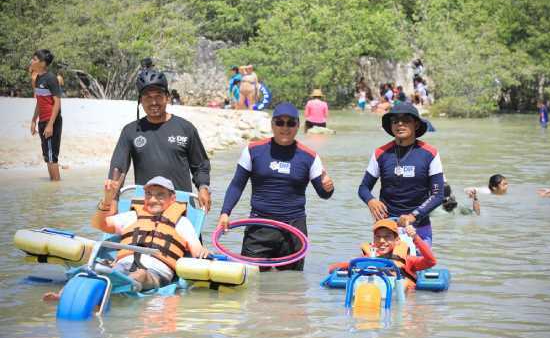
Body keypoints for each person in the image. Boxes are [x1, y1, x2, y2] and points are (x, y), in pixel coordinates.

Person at [43, 175, 210, 300]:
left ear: (172, 199)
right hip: (123, 266)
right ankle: (63, 295)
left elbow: (196, 249)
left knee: (140, 274)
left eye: (160, 195)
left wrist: (203, 253)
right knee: (93, 268)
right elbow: (99, 224)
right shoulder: (132, 216)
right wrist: (108, 199)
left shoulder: (182, 223)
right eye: (149, 194)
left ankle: (109, 294)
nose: (153, 199)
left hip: (154, 273)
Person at [218, 102, 334, 271]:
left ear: (298, 125)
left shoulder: (310, 157)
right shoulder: (253, 151)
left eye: (290, 123)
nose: (285, 128)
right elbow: (237, 185)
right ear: (272, 124)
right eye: (280, 122)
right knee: (251, 284)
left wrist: (328, 187)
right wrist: (225, 212)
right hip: (259, 227)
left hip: (294, 231)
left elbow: (324, 194)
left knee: (291, 287)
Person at [108, 69, 211, 210]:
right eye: (147, 97)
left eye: (158, 96)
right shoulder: (130, 131)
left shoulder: (185, 128)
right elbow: (118, 169)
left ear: (167, 97)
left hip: (180, 207)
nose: (154, 102)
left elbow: (200, 166)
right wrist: (113, 200)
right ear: (140, 100)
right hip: (146, 207)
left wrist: (203, 188)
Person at [358, 102, 444, 246]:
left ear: (416, 124)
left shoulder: (430, 154)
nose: (400, 124)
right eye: (395, 121)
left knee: (414, 267)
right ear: (391, 126)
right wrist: (371, 201)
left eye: (406, 120)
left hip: (418, 228)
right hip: (386, 230)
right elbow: (363, 188)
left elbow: (438, 195)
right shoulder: (381, 153)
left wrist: (413, 216)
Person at [327, 219, 436, 291]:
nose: (382, 241)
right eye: (378, 237)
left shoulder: (408, 261)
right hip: (370, 300)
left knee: (404, 284)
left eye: (387, 236)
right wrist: (351, 265)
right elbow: (332, 269)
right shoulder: (365, 259)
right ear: (373, 240)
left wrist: (415, 238)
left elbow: (431, 261)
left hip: (402, 307)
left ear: (397, 240)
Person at [29, 49, 62, 181]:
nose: (32, 61)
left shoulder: (51, 78)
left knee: (52, 157)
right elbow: (40, 101)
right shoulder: (37, 78)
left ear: (42, 63)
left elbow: (57, 103)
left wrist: (50, 125)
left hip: (51, 121)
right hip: (43, 121)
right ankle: (53, 189)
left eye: (35, 59)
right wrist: (33, 120)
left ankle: (55, 188)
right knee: (47, 156)